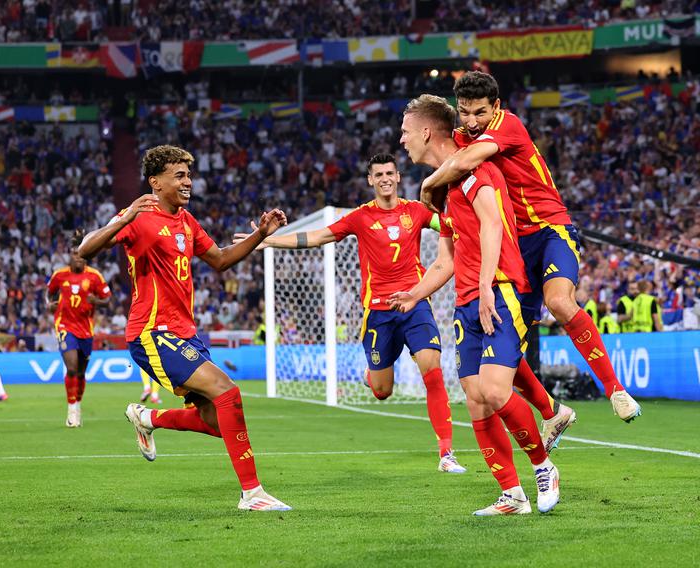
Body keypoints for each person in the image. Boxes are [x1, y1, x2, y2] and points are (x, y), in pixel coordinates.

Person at [78, 144, 291, 511]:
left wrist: (261, 235)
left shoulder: (187, 222)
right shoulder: (140, 218)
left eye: (189, 175)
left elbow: (221, 260)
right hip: (152, 332)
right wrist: (123, 218)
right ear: (155, 182)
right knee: (228, 392)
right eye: (179, 175)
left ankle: (148, 417)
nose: (188, 182)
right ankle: (252, 494)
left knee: (217, 421)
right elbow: (84, 250)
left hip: (186, 333)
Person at [419, 71, 641, 423]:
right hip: (516, 246)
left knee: (558, 301)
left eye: (480, 112)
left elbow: (460, 162)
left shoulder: (508, 125)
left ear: (497, 107)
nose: (472, 121)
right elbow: (451, 154)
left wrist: (428, 184)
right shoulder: (463, 135)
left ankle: (615, 389)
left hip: (551, 228)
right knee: (507, 338)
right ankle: (552, 413)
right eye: (465, 112)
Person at [237, 153, 466, 474]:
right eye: (379, 174)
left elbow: (452, 225)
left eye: (390, 173)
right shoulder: (361, 217)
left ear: (398, 177)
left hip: (415, 304)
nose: (385, 178)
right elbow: (319, 236)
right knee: (382, 391)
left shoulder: (415, 211)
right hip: (378, 313)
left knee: (433, 371)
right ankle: (371, 377)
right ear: (371, 180)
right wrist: (268, 240)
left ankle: (446, 454)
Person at [392, 95, 559, 515]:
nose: (402, 139)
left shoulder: (473, 168)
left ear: (427, 132)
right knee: (475, 399)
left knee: (495, 391)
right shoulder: (448, 186)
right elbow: (445, 260)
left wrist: (486, 286)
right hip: (467, 301)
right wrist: (416, 293)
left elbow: (492, 224)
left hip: (498, 290)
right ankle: (511, 494)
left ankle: (544, 466)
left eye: (406, 131)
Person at [46, 231, 111, 427]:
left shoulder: (94, 276)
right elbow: (49, 294)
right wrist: (50, 305)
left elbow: (108, 299)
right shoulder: (59, 275)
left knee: (81, 373)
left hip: (86, 329)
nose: (79, 258)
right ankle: (71, 410)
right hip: (65, 326)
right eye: (75, 254)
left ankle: (78, 404)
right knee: (72, 367)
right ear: (70, 256)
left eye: (82, 255)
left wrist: (97, 301)